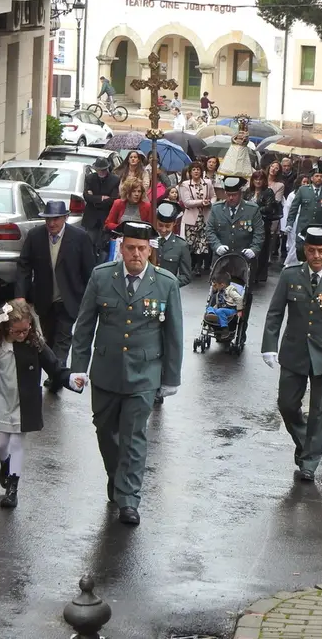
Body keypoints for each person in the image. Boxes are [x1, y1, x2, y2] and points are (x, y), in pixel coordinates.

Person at [70, 221, 183, 525]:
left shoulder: (165, 283)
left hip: (144, 374)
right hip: (106, 371)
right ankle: (116, 476)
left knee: (134, 436)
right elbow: (84, 326)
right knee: (105, 432)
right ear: (121, 248)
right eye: (130, 247)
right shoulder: (102, 276)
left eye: (141, 249)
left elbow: (174, 334)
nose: (136, 254)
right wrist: (78, 367)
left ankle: (129, 499)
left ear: (150, 251)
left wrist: (171, 378)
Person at [0, 299, 85, 508]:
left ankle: (12, 488)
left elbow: (54, 367)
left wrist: (71, 379)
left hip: (24, 404)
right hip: (0, 403)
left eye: (26, 330)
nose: (22, 335)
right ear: (6, 327)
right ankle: (5, 464)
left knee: (17, 444)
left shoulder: (34, 344)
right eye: (17, 331)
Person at [261, 225, 322, 482]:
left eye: (321, 251)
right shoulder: (290, 276)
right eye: (312, 250)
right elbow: (275, 313)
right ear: (305, 250)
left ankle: (310, 463)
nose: (316, 256)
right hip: (294, 352)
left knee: (319, 411)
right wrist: (269, 345)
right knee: (287, 404)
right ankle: (305, 443)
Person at [15, 201, 96, 392]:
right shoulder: (35, 236)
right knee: (48, 338)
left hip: (69, 299)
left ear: (66, 218)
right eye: (48, 219)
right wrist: (20, 295)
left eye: (56, 219)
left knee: (63, 338)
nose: (52, 223)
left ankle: (57, 377)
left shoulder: (79, 237)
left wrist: (89, 299)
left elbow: (90, 270)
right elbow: (23, 266)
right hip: (44, 298)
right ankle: (55, 373)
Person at [205, 176, 265, 287]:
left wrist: (254, 249)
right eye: (228, 195)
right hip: (221, 260)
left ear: (240, 193)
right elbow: (210, 230)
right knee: (217, 295)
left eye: (234, 195)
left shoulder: (252, 209)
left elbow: (259, 233)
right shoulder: (217, 209)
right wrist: (217, 246)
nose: (231, 198)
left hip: (243, 261)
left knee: (243, 296)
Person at [286, 167, 322, 262]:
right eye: (316, 176)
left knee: (315, 252)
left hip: (319, 228)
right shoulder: (303, 190)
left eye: (321, 176)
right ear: (312, 178)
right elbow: (294, 208)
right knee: (301, 250)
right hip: (303, 227)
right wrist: (289, 223)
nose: (319, 178)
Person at [244, 169, 280, 282]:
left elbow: (269, 208)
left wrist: (254, 209)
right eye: (256, 179)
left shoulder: (268, 192)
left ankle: (259, 274)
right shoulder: (248, 191)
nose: (258, 182)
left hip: (263, 223)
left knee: (262, 249)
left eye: (260, 179)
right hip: (248, 223)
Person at [179, 161, 214, 276]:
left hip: (204, 217)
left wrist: (210, 203)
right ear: (190, 172)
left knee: (203, 243)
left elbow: (213, 196)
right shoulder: (185, 185)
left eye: (198, 169)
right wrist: (201, 202)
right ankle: (189, 265)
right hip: (191, 218)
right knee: (190, 244)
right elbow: (187, 202)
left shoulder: (207, 183)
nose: (196, 171)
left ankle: (198, 266)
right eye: (193, 169)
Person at [83, 155, 120, 263]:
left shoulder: (115, 180)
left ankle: (100, 264)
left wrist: (94, 199)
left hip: (106, 217)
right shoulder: (90, 178)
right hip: (91, 218)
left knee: (103, 245)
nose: (102, 172)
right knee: (89, 244)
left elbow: (113, 199)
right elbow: (86, 196)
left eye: (104, 169)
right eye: (99, 170)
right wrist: (101, 198)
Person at [151, 201, 192, 287]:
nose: (163, 229)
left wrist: (169, 285)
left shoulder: (181, 245)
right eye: (160, 225)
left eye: (167, 226)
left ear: (174, 224)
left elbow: (186, 276)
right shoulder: (149, 240)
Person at [281, 175, 309, 265]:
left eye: (307, 182)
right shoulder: (292, 195)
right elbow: (288, 210)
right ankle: (290, 263)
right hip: (294, 220)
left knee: (299, 242)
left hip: (304, 220)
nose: (305, 184)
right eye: (304, 182)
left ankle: (295, 262)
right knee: (292, 242)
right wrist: (286, 224)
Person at [266, 161, 286, 259]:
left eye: (276, 168)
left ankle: (268, 255)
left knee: (272, 234)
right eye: (272, 166)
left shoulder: (280, 185)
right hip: (258, 211)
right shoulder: (261, 179)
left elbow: (277, 200)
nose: (273, 169)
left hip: (272, 212)